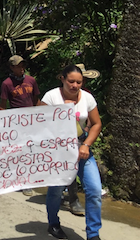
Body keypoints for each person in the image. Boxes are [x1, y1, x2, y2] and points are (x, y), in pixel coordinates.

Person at [41, 65, 103, 240]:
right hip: (59, 153)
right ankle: (53, 224)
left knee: (94, 190)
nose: (75, 85)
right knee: (56, 191)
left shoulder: (88, 98)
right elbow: (37, 123)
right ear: (62, 79)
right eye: (71, 81)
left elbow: (96, 124)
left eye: (79, 82)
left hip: (82, 150)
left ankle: (93, 234)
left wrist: (86, 145)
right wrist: (60, 111)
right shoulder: (51, 97)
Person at [0, 55, 40, 196]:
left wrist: (40, 117)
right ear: (11, 67)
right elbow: (3, 105)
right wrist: (2, 124)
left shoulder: (31, 81)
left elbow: (36, 100)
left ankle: (31, 177)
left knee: (31, 150)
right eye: (18, 66)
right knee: (20, 151)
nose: (21, 69)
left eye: (23, 65)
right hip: (16, 123)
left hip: (31, 120)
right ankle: (22, 181)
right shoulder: (7, 84)